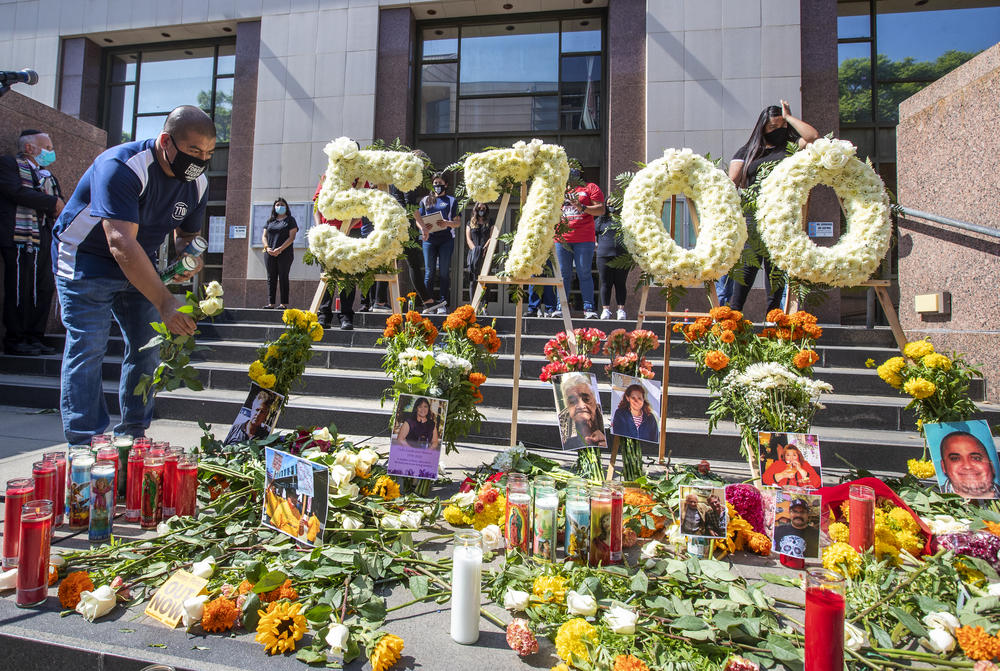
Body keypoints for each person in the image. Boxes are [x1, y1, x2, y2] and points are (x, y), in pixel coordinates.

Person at [52, 105, 212, 445]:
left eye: (209, 152)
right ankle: (84, 442)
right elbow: (119, 242)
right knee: (89, 346)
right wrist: (166, 301)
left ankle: (133, 434)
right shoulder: (122, 166)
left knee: (147, 348)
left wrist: (189, 256)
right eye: (194, 151)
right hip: (87, 258)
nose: (201, 160)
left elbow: (184, 235)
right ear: (166, 141)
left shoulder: (196, 183)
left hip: (140, 260)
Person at [728, 101, 818, 316]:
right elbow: (731, 181)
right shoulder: (749, 150)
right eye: (772, 128)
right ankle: (731, 321)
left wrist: (789, 118)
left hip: (781, 220)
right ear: (762, 128)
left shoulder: (791, 146)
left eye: (782, 127)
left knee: (775, 278)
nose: (778, 131)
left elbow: (813, 136)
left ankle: (773, 322)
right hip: (753, 219)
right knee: (744, 276)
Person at [0, 129, 65, 355]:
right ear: (29, 148)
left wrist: (56, 204)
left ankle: (35, 336)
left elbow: (60, 203)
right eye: (47, 147)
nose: (51, 152)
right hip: (20, 236)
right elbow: (14, 191)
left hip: (44, 235)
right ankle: (15, 339)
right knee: (21, 287)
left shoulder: (48, 176)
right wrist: (52, 202)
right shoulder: (9, 165)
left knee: (44, 287)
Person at [388, 150, 445, 313]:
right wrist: (422, 227)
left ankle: (379, 301)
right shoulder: (409, 175)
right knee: (413, 262)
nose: (423, 172)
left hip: (394, 220)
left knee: (391, 261)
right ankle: (428, 301)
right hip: (403, 224)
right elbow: (410, 206)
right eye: (424, 168)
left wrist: (420, 226)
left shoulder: (398, 172)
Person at [313, 173, 363, 331]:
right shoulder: (328, 175)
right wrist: (319, 227)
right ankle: (324, 315)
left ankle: (346, 316)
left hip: (351, 231)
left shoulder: (359, 178)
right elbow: (316, 204)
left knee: (348, 275)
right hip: (328, 232)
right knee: (327, 275)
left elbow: (364, 206)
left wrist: (347, 227)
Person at [553, 169, 604, 319]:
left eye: (575, 170)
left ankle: (589, 308)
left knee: (584, 273)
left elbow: (600, 209)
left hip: (584, 238)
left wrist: (582, 207)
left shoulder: (590, 187)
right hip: (562, 239)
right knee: (563, 274)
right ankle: (560, 307)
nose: (572, 173)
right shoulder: (560, 189)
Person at [415, 172, 460, 314]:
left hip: (446, 240)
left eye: (440, 183)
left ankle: (442, 303)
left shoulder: (452, 200)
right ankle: (427, 304)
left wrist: (447, 223)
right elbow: (418, 218)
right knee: (429, 272)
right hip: (429, 240)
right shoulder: (425, 200)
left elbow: (457, 222)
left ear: (446, 184)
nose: (437, 186)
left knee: (444, 273)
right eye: (435, 183)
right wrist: (422, 227)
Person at [938, 431, 1000, 499]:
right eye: (955, 459)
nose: (968, 466)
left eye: (976, 458)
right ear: (943, 466)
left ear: (991, 465)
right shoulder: (935, 495)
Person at [260, 197, 297, 309]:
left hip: (285, 253)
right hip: (269, 253)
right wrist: (267, 248)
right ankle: (271, 303)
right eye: (277, 205)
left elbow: (292, 237)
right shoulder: (270, 221)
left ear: (286, 207)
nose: (279, 206)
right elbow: (264, 236)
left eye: (282, 204)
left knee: (283, 276)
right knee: (271, 277)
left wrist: (280, 249)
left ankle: (283, 303)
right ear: (274, 207)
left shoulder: (290, 220)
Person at [557, 372, 607, 450]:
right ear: (567, 406)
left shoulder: (600, 416)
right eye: (573, 401)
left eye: (586, 399)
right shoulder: (563, 421)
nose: (580, 406)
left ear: (594, 401)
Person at [595, 208, 628, 320]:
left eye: (614, 203)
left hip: (622, 256)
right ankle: (605, 310)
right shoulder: (600, 220)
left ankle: (621, 310)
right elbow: (593, 233)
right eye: (608, 203)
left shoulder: (625, 219)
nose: (611, 206)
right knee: (605, 283)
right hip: (604, 256)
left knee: (620, 283)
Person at [465, 202, 493, 304]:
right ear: (475, 209)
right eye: (479, 208)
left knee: (486, 281)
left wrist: (484, 249)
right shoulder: (470, 223)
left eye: (483, 208)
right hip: (473, 255)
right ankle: (473, 305)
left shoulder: (490, 222)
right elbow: (468, 239)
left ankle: (485, 307)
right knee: (473, 281)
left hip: (486, 254)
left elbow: (492, 237)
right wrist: (475, 251)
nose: (481, 210)